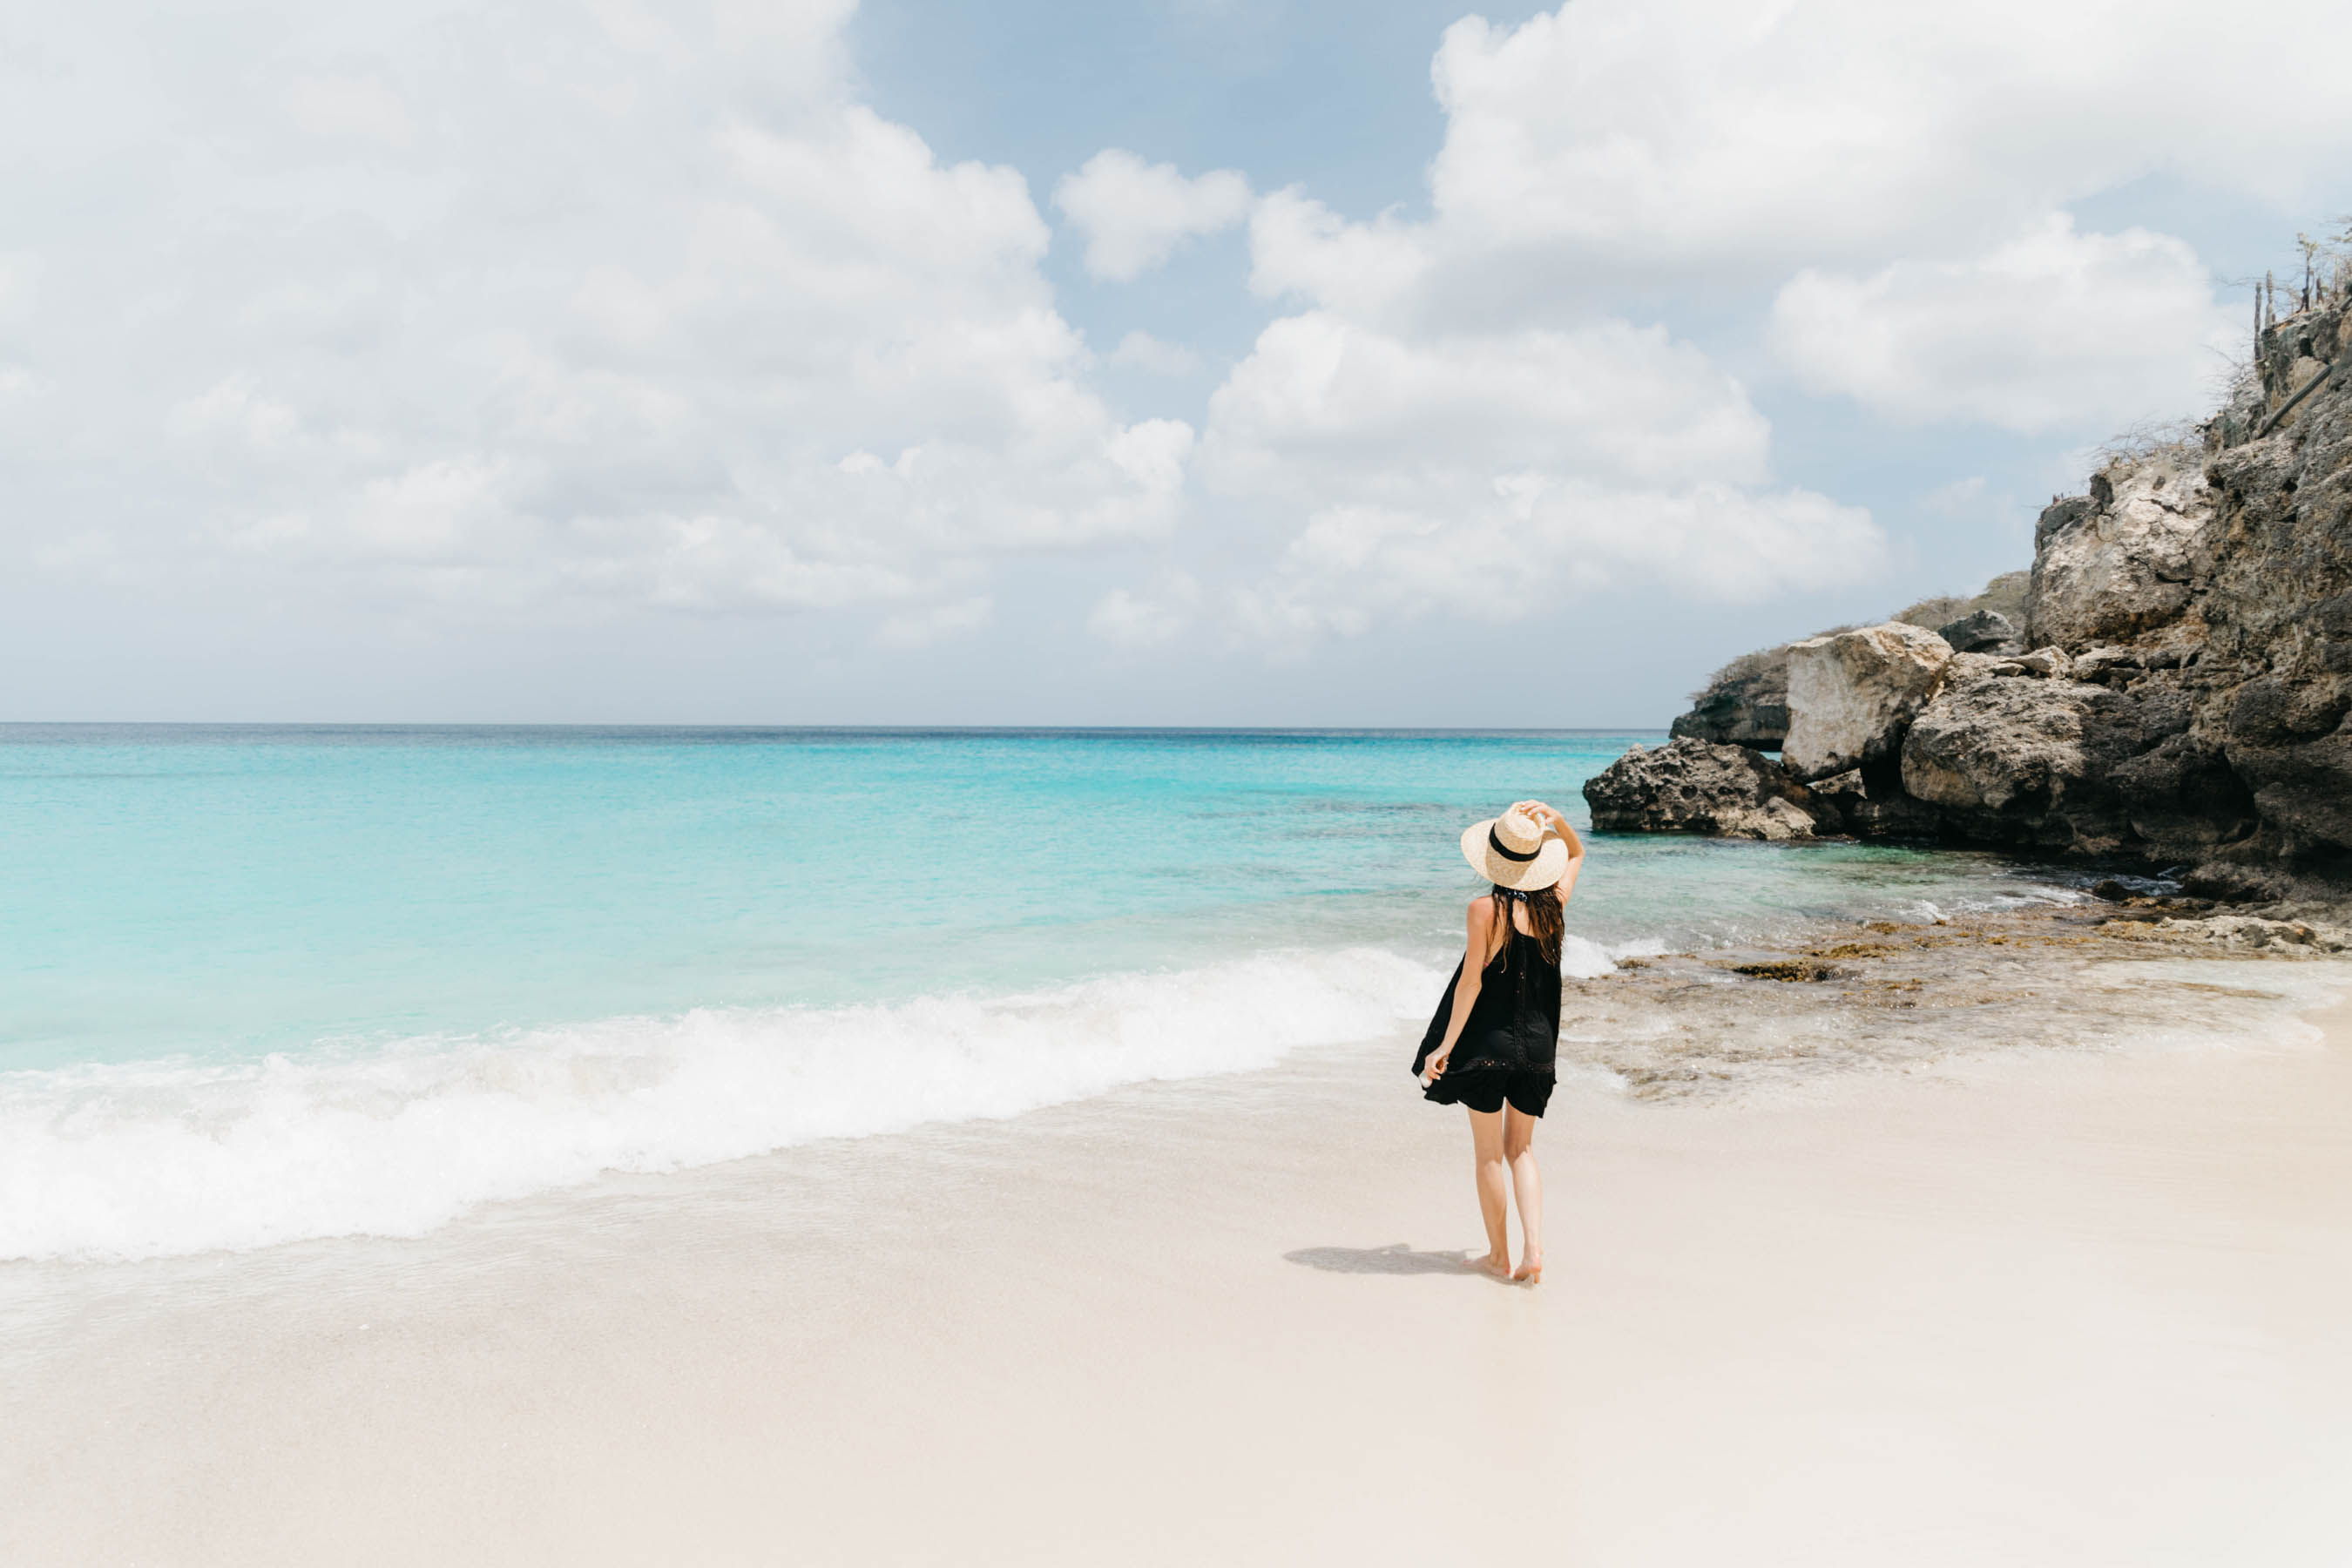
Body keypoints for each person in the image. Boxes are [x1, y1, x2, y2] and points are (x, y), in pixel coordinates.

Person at [1410, 801, 1585, 1283]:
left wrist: (1443, 1046)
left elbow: (1471, 984)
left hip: (1486, 1047)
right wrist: (1557, 821)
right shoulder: (1554, 908)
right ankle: (1534, 1250)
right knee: (1522, 1152)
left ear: (1493, 858)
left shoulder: (1484, 909)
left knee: (1489, 1156)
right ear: (1534, 862)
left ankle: (1497, 1257)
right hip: (1539, 1049)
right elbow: (1576, 855)